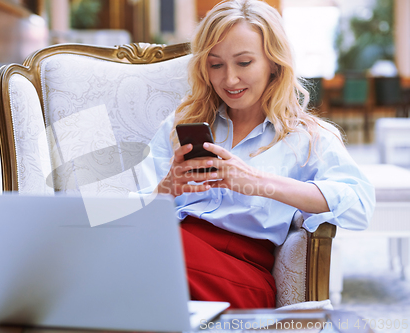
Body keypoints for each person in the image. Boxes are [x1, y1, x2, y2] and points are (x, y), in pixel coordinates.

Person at [138, 0, 375, 309]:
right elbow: (135, 210)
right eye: (216, 64)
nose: (229, 79)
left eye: (244, 63)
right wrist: (166, 189)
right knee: (126, 261)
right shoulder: (180, 125)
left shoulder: (307, 137)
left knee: (134, 256)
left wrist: (256, 181)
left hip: (242, 271)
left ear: (273, 63)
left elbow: (359, 205)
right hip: (170, 250)